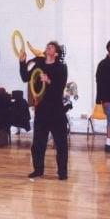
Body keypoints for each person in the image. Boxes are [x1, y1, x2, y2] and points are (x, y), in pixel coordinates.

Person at [19, 41, 68, 180]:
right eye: (47, 46)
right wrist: (22, 62)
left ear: (56, 53)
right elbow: (25, 77)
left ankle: (62, 172)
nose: (47, 47)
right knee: (38, 143)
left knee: (61, 143)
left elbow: (60, 88)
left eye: (51, 47)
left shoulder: (61, 67)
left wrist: (49, 81)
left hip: (57, 110)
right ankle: (38, 170)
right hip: (42, 110)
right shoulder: (39, 63)